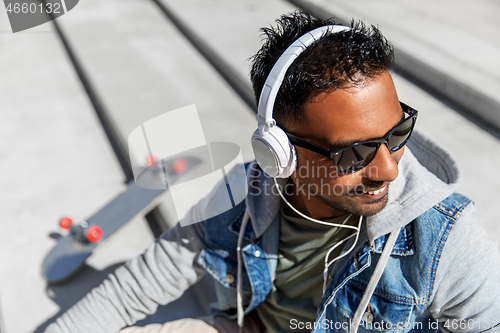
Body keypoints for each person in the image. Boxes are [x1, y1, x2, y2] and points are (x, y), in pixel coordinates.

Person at [45, 11, 500, 333]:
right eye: (354, 153)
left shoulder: (445, 237)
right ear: (277, 153)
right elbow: (131, 291)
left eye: (398, 132)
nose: (387, 169)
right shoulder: (239, 197)